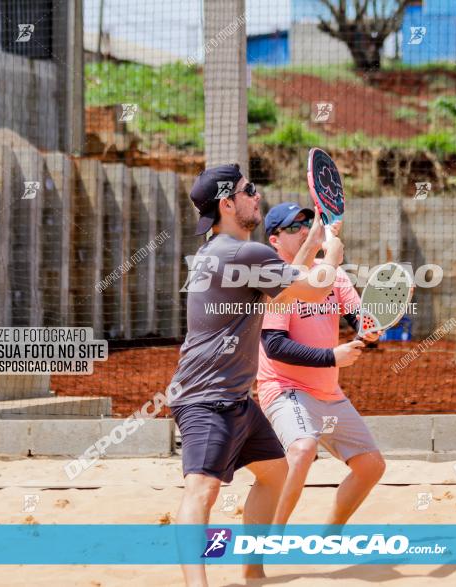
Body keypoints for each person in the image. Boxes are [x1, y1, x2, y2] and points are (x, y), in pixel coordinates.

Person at [168, 164, 344, 586]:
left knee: (275, 474)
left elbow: (280, 286)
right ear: (228, 204)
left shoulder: (224, 250)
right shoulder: (239, 252)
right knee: (201, 493)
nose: (257, 195)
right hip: (206, 399)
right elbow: (316, 287)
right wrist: (332, 254)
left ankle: (252, 569)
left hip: (236, 398)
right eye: (249, 191)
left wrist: (311, 244)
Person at [256, 202, 386, 527]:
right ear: (274, 240)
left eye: (306, 223)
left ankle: (330, 532)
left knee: (372, 466)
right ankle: (271, 536)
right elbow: (274, 347)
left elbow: (364, 324)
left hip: (327, 391)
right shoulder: (274, 279)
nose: (303, 230)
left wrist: (379, 320)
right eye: (293, 227)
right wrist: (332, 357)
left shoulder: (334, 276)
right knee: (302, 450)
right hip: (284, 389)